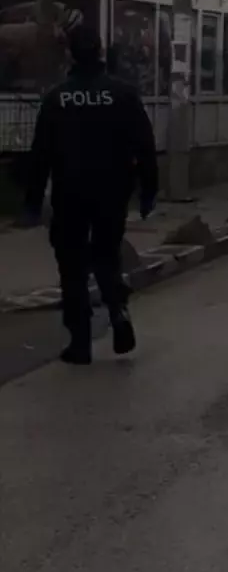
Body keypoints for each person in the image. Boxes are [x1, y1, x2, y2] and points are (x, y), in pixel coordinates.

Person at [24, 23, 158, 364]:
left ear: (71, 53)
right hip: (113, 191)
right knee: (106, 256)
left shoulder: (57, 98)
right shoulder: (123, 94)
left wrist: (31, 202)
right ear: (100, 52)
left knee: (72, 267)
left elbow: (40, 154)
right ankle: (118, 311)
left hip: (70, 192)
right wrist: (148, 191)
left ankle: (80, 341)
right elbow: (145, 145)